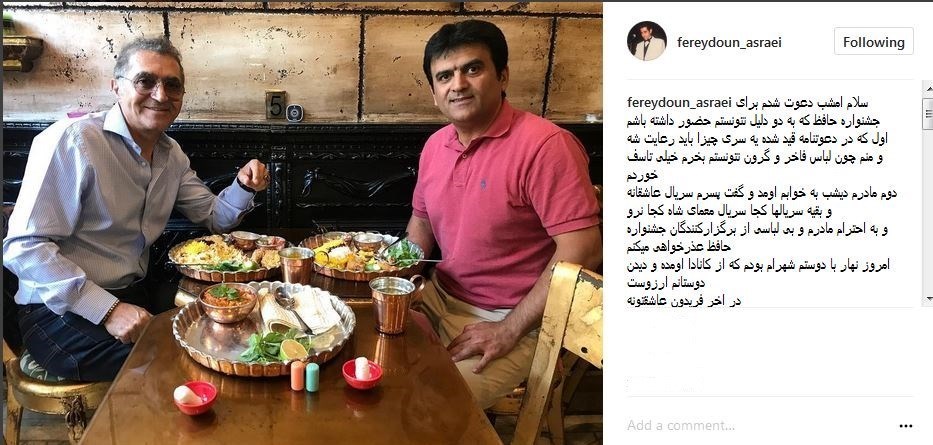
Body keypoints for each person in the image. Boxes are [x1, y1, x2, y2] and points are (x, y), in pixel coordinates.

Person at [2, 36, 270, 381]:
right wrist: (108, 311)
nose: (161, 95)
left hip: (135, 292)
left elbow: (215, 218)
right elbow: (24, 248)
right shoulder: (74, 140)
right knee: (181, 360)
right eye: (145, 81)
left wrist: (244, 186)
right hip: (57, 312)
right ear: (116, 87)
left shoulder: (171, 155)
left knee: (233, 329)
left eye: (172, 85)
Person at [408, 19, 602, 408]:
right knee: (363, 360)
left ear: (502, 76)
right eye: (444, 76)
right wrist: (401, 288)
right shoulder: (435, 146)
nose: (458, 84)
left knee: (433, 406)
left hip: (513, 317)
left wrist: (508, 329)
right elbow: (422, 224)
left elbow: (584, 250)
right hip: (438, 294)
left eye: (472, 69)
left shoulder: (546, 146)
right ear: (434, 94)